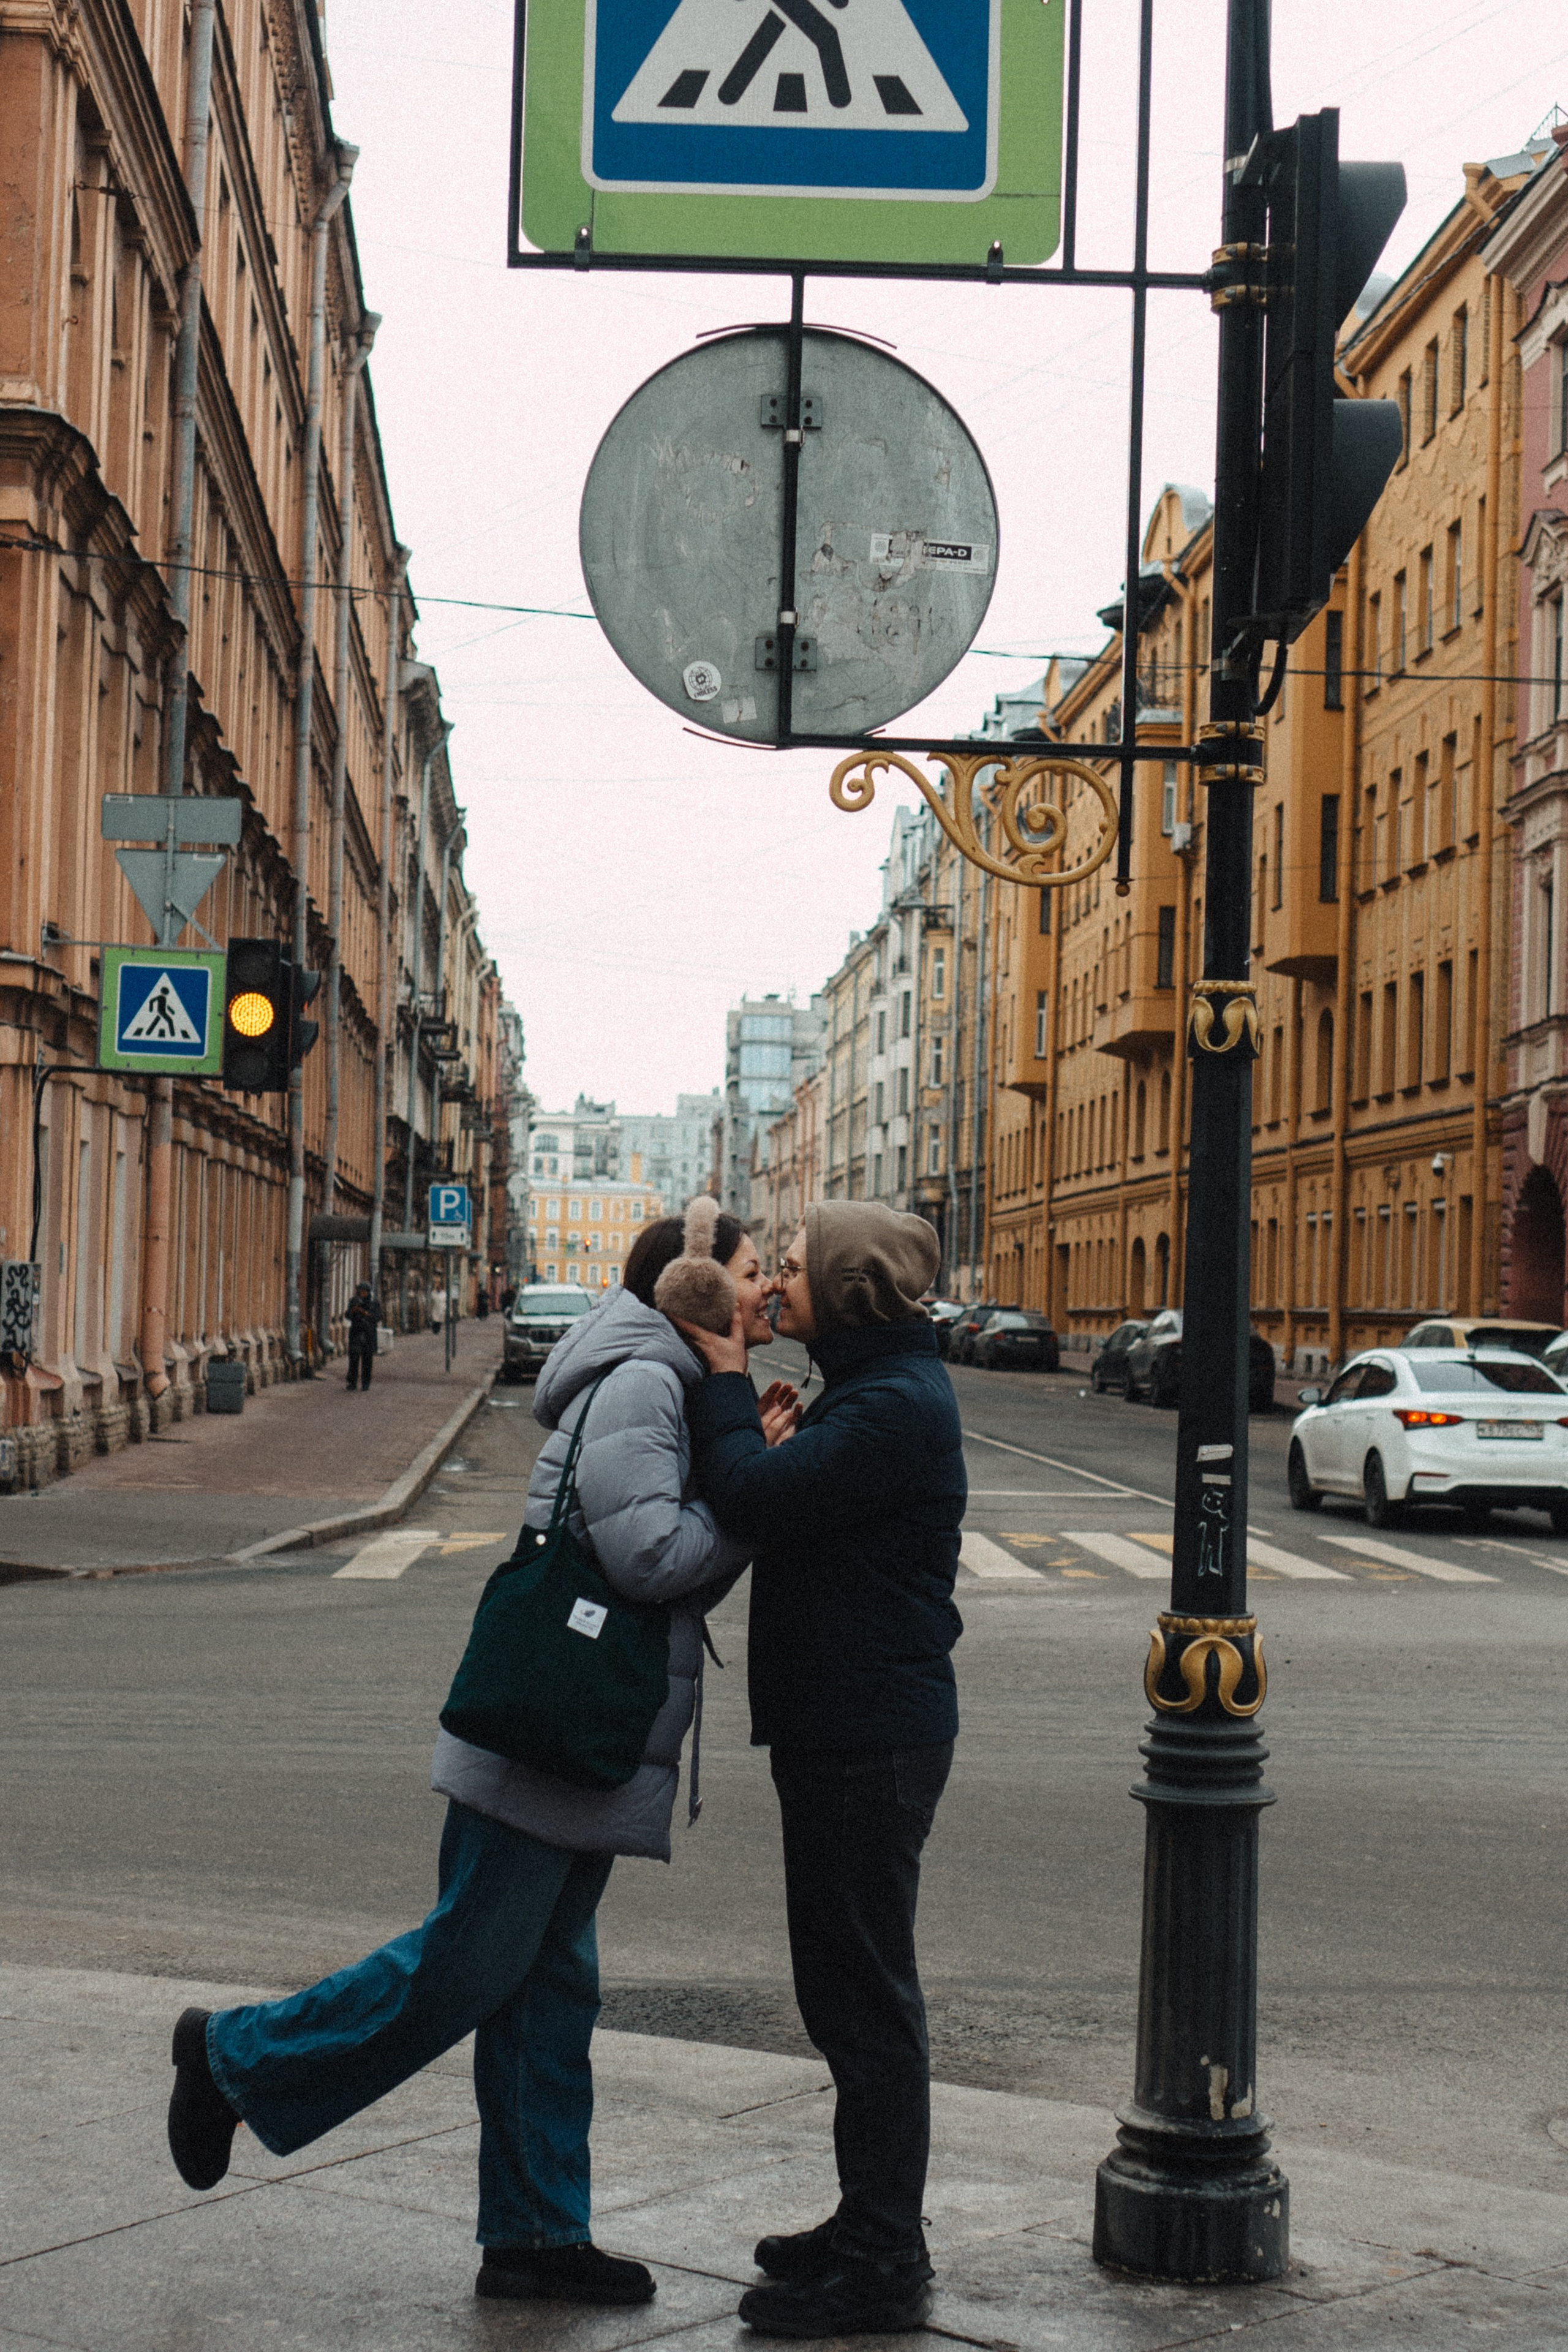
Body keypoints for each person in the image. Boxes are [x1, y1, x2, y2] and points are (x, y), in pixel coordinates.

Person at [165, 1203, 778, 2307]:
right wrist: (752, 1506)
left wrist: (743, 1466)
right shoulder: (646, 1383)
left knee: (548, 1986)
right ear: (691, 1289)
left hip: (582, 1729)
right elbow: (650, 1558)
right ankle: (233, 2059)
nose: (765, 1286)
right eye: (747, 1271)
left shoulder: (669, 1383)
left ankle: (537, 2234)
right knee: (470, 1964)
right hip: (557, 1724)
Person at [677, 1202, 965, 2340]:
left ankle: (884, 2263)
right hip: (849, 1727)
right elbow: (789, 1501)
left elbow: (754, 1498)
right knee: (846, 1997)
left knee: (866, 2006)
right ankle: (867, 2226)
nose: (777, 1282)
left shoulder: (895, 1407)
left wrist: (724, 1376)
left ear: (846, 1292)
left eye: (793, 1269)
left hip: (869, 1734)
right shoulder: (879, 1393)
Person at [344, 1283, 380, 1391]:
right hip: (356, 1332)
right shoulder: (354, 1301)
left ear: (368, 1292)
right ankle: (352, 1382)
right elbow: (347, 1315)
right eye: (360, 1291)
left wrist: (364, 1313)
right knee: (354, 1358)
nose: (362, 1293)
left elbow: (377, 1317)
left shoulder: (374, 1303)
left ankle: (366, 1383)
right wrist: (353, 1311)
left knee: (367, 1360)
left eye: (364, 1291)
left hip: (369, 1334)